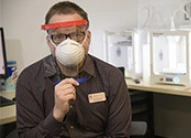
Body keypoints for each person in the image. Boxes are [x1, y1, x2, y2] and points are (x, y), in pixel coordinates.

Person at [16, 1, 132, 138]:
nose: (68, 44)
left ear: (88, 37)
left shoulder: (112, 77)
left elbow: (119, 135)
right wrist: (57, 114)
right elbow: (27, 136)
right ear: (49, 42)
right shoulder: (29, 79)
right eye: (59, 37)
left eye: (76, 35)